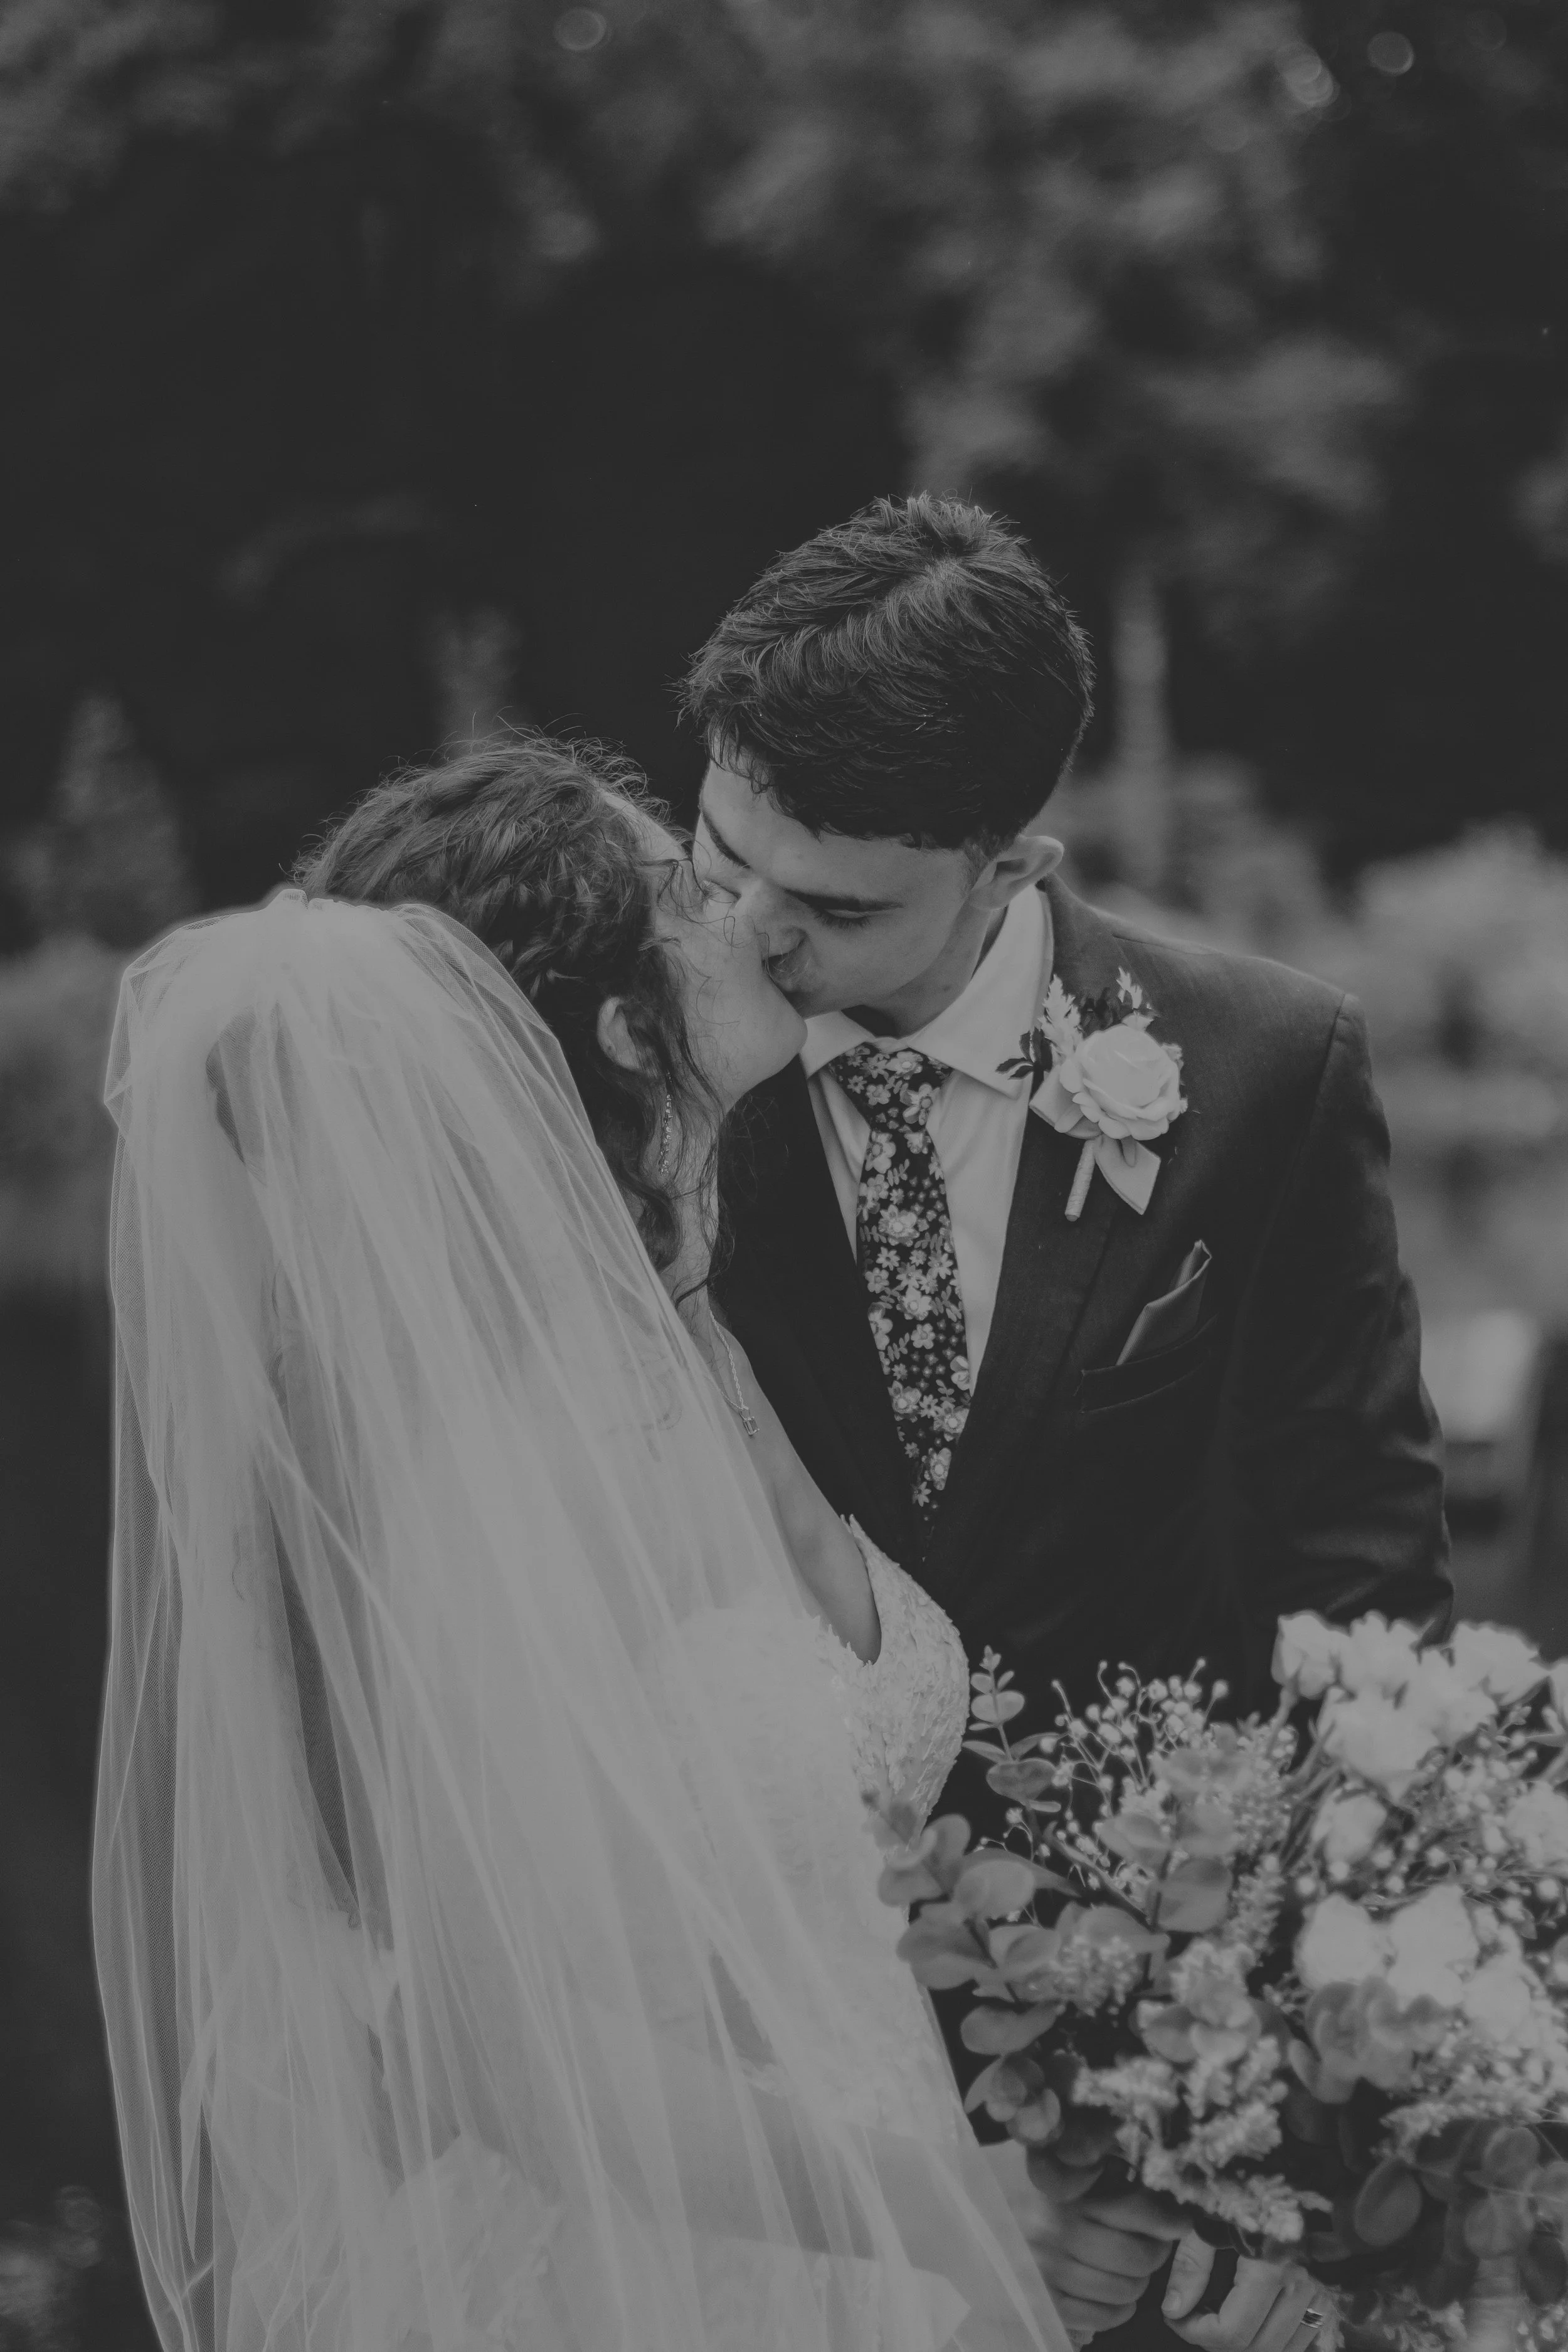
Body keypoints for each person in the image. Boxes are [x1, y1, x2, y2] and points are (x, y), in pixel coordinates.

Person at [92, 735, 1072, 2351]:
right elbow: (496, 2052)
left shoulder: (672, 1334)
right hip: (669, 2275)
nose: (751, 908)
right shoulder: (503, 1448)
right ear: (628, 1030)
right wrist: (937, 2212)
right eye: (692, 888)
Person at [697, 495, 1454, 2352]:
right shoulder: (641, 1071)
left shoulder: (1264, 1070)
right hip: (766, 2094)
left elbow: (1359, 1606)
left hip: (1151, 2119)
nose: (747, 936)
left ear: (1012, 854)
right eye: (722, 860)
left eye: (835, 907)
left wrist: (1290, 2121)